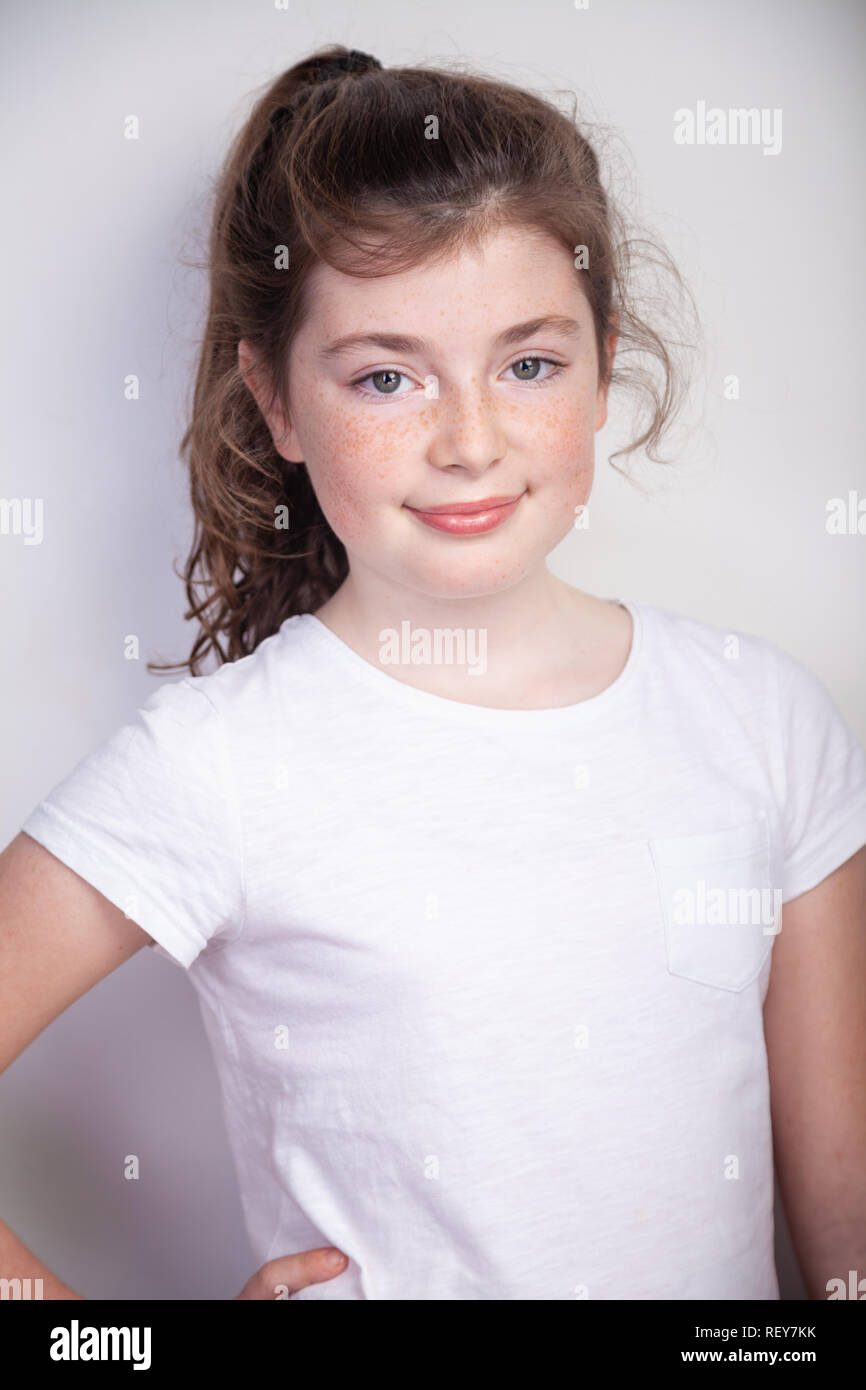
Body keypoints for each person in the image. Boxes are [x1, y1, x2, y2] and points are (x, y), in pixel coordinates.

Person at [2, 44, 865, 1301]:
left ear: (602, 360)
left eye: (527, 363)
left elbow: (842, 1219)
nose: (468, 440)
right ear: (277, 401)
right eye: (386, 377)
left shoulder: (762, 719)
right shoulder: (218, 766)